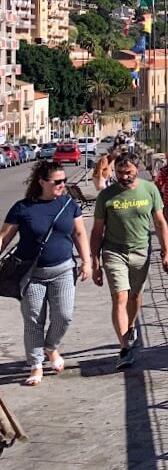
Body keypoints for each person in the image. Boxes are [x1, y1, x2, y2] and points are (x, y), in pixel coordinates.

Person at [0, 161, 90, 386]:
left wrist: (87, 262)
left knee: (64, 315)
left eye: (64, 181)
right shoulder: (23, 208)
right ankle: (36, 364)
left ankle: (51, 348)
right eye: (57, 181)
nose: (62, 185)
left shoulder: (69, 204)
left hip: (63, 270)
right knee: (33, 321)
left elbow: (79, 234)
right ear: (41, 182)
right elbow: (5, 237)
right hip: (31, 274)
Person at [90, 152, 168, 369]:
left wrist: (166, 253)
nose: (123, 177)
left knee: (135, 296)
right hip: (113, 251)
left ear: (137, 169)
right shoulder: (106, 196)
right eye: (119, 173)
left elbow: (160, 222)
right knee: (120, 297)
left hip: (141, 251)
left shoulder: (150, 189)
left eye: (128, 173)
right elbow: (97, 231)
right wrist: (95, 261)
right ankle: (124, 348)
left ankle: (131, 324)